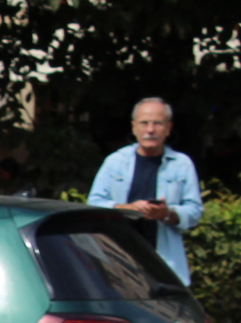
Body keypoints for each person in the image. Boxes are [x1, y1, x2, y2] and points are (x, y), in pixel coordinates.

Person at [87, 96, 203, 282]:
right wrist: (128, 209)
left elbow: (195, 211)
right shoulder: (115, 162)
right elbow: (93, 204)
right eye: (144, 123)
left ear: (168, 128)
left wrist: (167, 214)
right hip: (119, 262)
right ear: (134, 127)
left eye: (157, 123)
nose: (150, 130)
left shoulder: (182, 164)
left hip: (165, 266)